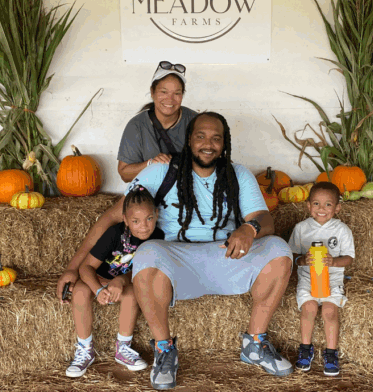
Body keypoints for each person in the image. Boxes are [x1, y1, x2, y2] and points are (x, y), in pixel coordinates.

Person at [57, 113, 294, 389]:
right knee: (148, 252)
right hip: (177, 262)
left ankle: (255, 343)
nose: (208, 144)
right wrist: (73, 268)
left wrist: (249, 228)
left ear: (224, 143)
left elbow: (265, 220)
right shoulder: (162, 171)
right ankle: (164, 349)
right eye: (201, 136)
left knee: (279, 248)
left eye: (216, 138)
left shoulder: (238, 174)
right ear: (189, 140)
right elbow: (112, 216)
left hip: (227, 256)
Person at [63, 185, 165, 378]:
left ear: (157, 215)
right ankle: (85, 348)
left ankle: (123, 347)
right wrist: (98, 289)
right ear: (125, 220)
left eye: (149, 218)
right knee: (80, 291)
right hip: (99, 278)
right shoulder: (114, 234)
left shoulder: (158, 238)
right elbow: (86, 268)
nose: (144, 226)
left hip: (127, 281)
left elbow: (146, 271)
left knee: (133, 293)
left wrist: (121, 280)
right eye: (135, 221)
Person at [288, 181, 354, 377]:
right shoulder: (301, 228)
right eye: (316, 203)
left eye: (328, 204)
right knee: (308, 308)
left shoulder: (342, 230)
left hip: (332, 279)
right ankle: (305, 349)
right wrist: (302, 260)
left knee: (329, 311)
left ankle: (331, 354)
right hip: (308, 278)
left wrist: (333, 261)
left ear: (337, 208)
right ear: (308, 205)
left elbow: (349, 258)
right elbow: (291, 255)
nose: (321, 209)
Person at [117, 62, 198, 183]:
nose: (170, 99)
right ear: (152, 92)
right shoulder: (137, 125)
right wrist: (151, 164)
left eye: (177, 93)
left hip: (189, 188)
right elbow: (125, 174)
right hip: (153, 190)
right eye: (163, 92)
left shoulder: (196, 121)